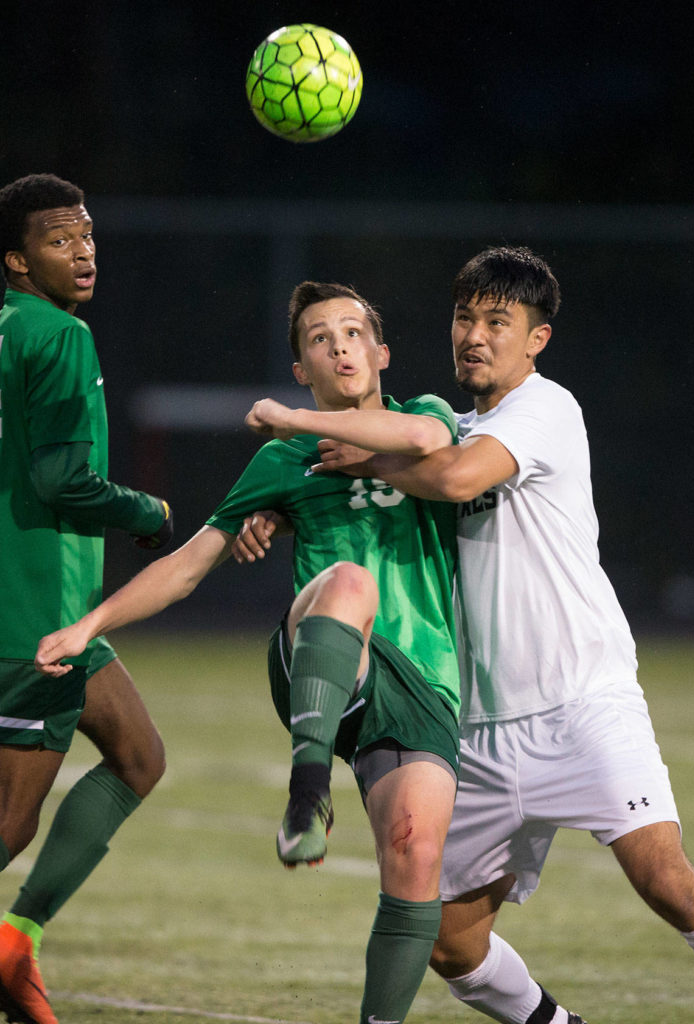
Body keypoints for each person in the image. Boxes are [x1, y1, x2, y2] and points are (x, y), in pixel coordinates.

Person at [241, 246, 694, 1024]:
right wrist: (280, 505)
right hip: (481, 729)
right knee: (450, 940)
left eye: (499, 321)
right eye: (465, 317)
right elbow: (397, 462)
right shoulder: (438, 424)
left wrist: (366, 461)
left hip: (581, 703)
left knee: (665, 879)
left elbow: (456, 478)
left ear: (537, 339)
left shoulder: (544, 409)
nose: (475, 336)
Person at [36, 280, 467, 1024]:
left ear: (382, 351)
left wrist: (284, 416)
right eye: (319, 339)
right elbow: (186, 566)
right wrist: (89, 626)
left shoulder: (423, 417)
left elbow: (430, 445)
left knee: (413, 855)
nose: (339, 346)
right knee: (348, 581)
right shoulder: (283, 463)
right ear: (302, 365)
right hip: (321, 663)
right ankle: (306, 792)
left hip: (423, 682)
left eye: (353, 333)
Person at [0, 173, 174, 1024]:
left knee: (138, 755)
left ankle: (15, 942)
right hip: (33, 614)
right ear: (15, 258)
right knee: (9, 822)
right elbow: (64, 479)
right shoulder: (60, 335)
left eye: (87, 236)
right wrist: (147, 512)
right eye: (59, 239)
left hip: (50, 611)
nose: (82, 251)